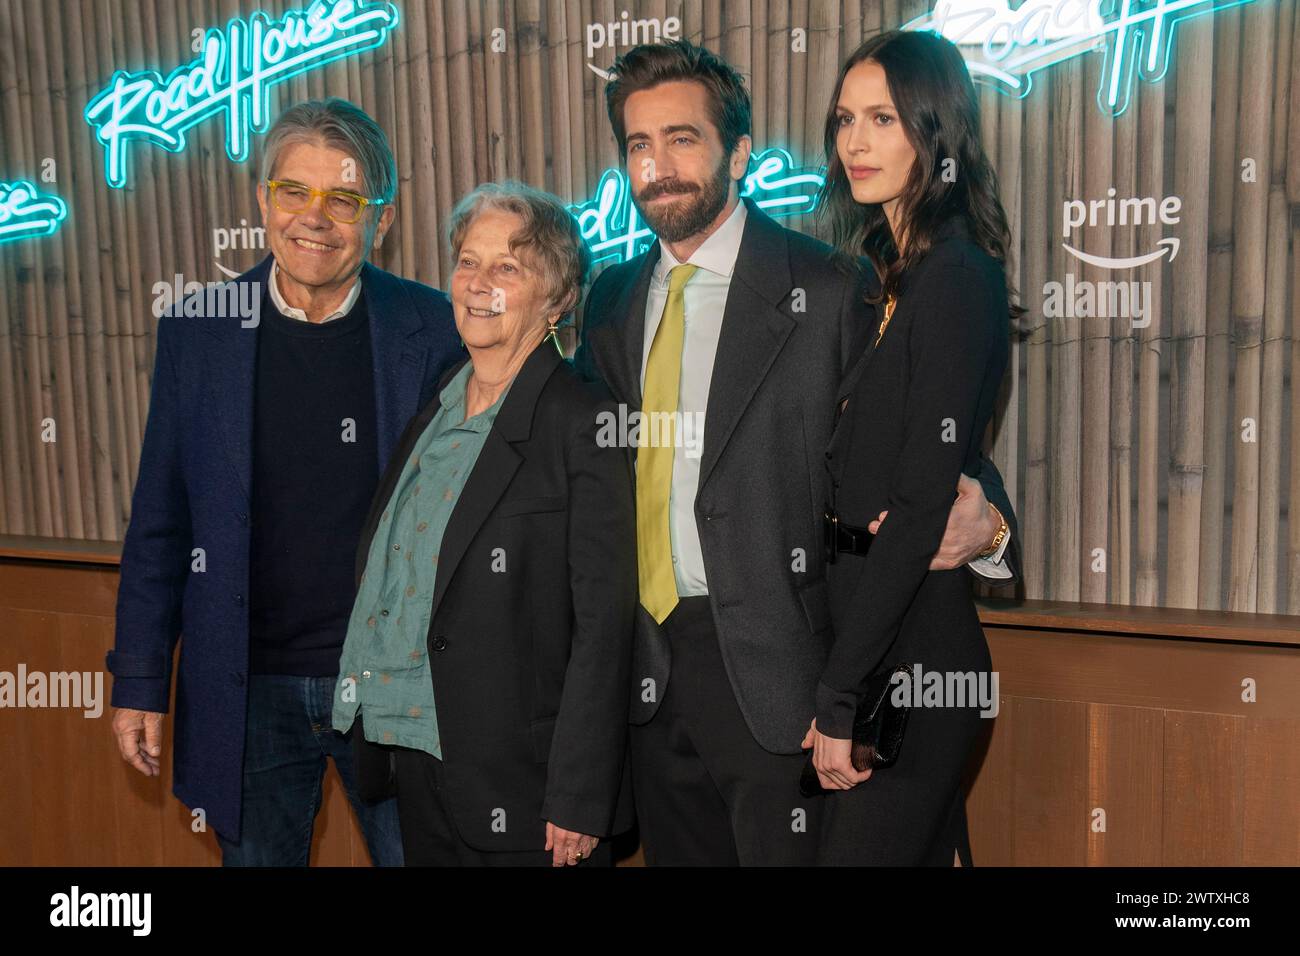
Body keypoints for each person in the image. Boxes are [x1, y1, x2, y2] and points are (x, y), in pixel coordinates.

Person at [573, 39, 1019, 867]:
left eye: (682, 138)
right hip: (649, 675)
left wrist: (990, 522)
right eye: (638, 145)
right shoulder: (607, 302)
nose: (658, 166)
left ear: (739, 151)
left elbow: (914, 440)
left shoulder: (832, 283)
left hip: (788, 675)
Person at [107, 98, 463, 865]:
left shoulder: (435, 329)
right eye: (293, 191)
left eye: (344, 198)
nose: (315, 217)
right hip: (246, 689)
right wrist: (138, 678)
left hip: (394, 691)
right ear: (263, 200)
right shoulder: (198, 333)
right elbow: (161, 522)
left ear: (383, 217)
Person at [333, 181, 637, 867]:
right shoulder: (435, 409)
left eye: (508, 266)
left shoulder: (582, 422)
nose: (478, 283)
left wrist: (580, 794)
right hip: (419, 757)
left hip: (527, 786)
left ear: (558, 297)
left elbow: (605, 624)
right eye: (468, 261)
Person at [805, 29, 1018, 866]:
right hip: (877, 646)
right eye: (845, 119)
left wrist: (839, 695)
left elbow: (925, 499)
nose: (854, 142)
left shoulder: (957, 276)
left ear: (935, 129)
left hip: (916, 666)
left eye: (884, 119)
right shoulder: (880, 277)